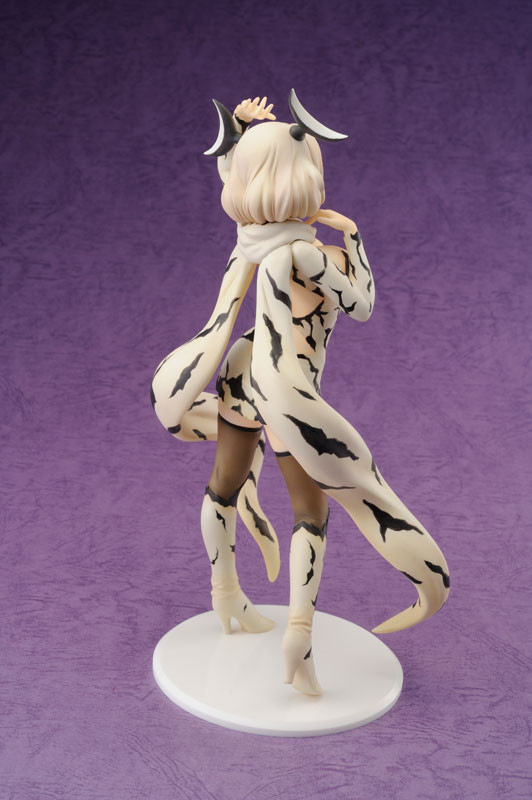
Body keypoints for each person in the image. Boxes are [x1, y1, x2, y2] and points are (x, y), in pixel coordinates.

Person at [151, 92, 450, 696]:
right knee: (311, 513)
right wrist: (355, 238)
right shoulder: (311, 254)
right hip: (285, 388)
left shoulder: (249, 240)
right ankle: (299, 635)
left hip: (241, 368)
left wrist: (242, 135)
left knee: (223, 485)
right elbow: (362, 305)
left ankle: (225, 594)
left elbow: (239, 176)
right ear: (306, 177)